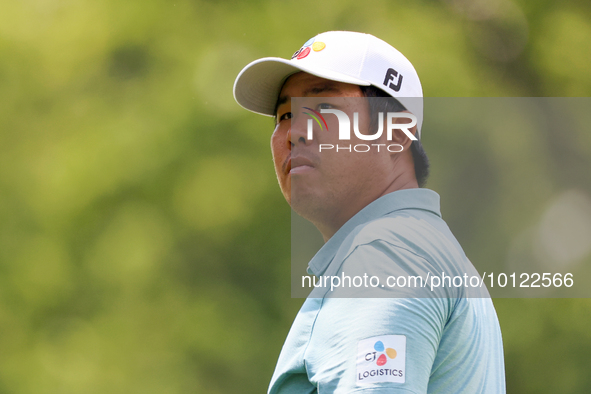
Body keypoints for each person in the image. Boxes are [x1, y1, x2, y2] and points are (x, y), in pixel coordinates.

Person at [234, 31, 505, 393]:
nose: (295, 132)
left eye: (325, 107)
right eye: (284, 114)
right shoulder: (419, 248)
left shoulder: (387, 252)